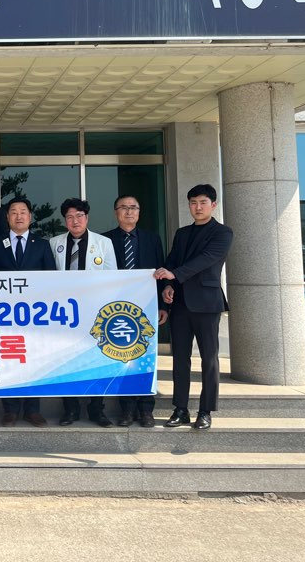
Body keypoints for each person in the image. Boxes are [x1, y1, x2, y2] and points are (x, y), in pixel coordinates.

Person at [154, 183, 234, 431]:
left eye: (202, 202)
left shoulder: (223, 233)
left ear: (213, 205)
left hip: (207, 304)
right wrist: (168, 285)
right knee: (180, 359)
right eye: (193, 203)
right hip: (179, 304)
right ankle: (180, 409)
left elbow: (206, 259)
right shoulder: (182, 233)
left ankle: (205, 411)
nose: (198, 207)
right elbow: (171, 261)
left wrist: (175, 274)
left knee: (209, 359)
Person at [0, 198, 56, 427]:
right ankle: (10, 409)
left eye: (23, 212)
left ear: (30, 216)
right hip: (4, 315)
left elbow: (52, 279)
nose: (19, 216)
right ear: (7, 217)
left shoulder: (42, 244)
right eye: (14, 212)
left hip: (34, 315)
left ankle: (32, 410)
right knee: (8, 360)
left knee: (35, 360)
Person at [51, 198, 117, 428]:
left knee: (95, 361)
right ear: (65, 221)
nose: (75, 221)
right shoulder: (55, 243)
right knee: (67, 361)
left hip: (94, 312)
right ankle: (70, 409)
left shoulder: (104, 243)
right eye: (69, 217)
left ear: (87, 218)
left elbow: (112, 278)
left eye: (79, 216)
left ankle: (97, 409)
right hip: (65, 314)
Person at [103, 195, 168, 428]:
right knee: (122, 357)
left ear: (139, 212)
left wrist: (164, 306)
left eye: (133, 208)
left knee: (146, 356)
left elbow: (161, 272)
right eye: (124, 208)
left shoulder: (152, 239)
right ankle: (127, 410)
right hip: (116, 309)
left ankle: (146, 409)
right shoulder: (105, 240)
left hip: (146, 307)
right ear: (116, 212)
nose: (129, 212)